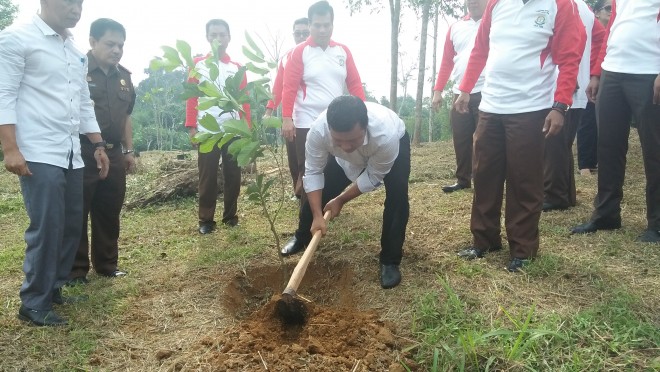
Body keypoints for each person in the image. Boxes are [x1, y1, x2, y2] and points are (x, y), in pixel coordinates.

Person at [0, 0, 110, 326]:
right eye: (68, 2)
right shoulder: (17, 38)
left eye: (80, 3)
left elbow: (83, 102)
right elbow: (4, 94)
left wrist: (98, 144)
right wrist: (10, 149)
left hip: (70, 152)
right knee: (47, 227)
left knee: (71, 223)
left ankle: (55, 286)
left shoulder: (74, 50)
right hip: (37, 150)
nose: (76, 9)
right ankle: (34, 302)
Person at [454, 0, 584, 272]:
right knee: (485, 175)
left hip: (531, 107)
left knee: (524, 180)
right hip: (491, 105)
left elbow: (570, 57)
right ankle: (484, 240)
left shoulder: (560, 5)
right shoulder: (497, 3)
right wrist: (466, 88)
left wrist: (560, 105)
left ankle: (523, 250)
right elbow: (480, 48)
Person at [286, 95, 410, 289]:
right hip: (341, 160)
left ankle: (389, 260)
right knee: (319, 191)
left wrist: (341, 200)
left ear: (365, 127)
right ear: (329, 129)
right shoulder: (319, 131)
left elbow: (373, 176)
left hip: (392, 148)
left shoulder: (386, 136)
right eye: (338, 140)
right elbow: (313, 173)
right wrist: (318, 215)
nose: (345, 146)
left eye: (352, 139)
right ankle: (302, 236)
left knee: (397, 196)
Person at [571, 0, 660, 243]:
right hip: (613, 71)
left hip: (649, 72)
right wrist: (597, 73)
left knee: (655, 149)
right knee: (608, 146)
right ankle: (606, 214)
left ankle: (657, 223)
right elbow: (611, 29)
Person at [279, 1, 365, 245]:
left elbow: (355, 83)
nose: (322, 30)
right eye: (317, 25)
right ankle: (303, 232)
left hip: (338, 122)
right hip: (307, 122)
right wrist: (287, 118)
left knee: (335, 169)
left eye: (327, 25)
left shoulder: (342, 52)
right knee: (309, 173)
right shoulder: (299, 52)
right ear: (310, 26)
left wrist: (362, 113)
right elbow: (289, 86)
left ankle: (327, 209)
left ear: (332, 24)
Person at [67, 18, 136, 285]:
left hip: (115, 153)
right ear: (93, 42)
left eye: (121, 45)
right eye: (110, 44)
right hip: (83, 151)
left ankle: (107, 264)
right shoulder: (76, 69)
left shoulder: (125, 78)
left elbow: (126, 117)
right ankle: (76, 270)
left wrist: (128, 150)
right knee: (78, 209)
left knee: (109, 209)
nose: (117, 49)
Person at [185, 19, 251, 235]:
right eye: (214, 35)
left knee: (233, 174)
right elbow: (192, 99)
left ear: (229, 37)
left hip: (232, 130)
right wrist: (191, 127)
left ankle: (230, 216)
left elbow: (244, 101)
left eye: (222, 35)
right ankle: (206, 220)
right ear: (207, 38)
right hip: (207, 130)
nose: (218, 39)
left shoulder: (237, 68)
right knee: (208, 175)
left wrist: (246, 130)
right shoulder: (198, 66)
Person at [542, 0, 605, 212]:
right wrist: (589, 70)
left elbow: (579, 42)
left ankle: (555, 195)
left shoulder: (569, 5)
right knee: (560, 143)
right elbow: (599, 37)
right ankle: (564, 194)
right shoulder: (584, 7)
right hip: (573, 83)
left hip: (566, 84)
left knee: (554, 143)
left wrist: (582, 72)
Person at [431, 0, 488, 194]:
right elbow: (447, 61)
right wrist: (438, 91)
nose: (472, 2)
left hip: (487, 90)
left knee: (485, 140)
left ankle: (485, 181)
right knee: (461, 138)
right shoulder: (456, 27)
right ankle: (463, 179)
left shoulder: (495, 21)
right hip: (459, 92)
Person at [264, 17, 309, 199]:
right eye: (297, 33)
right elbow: (278, 87)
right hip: (291, 116)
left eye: (305, 33)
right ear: (293, 35)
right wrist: (269, 111)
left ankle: (317, 196)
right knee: (294, 158)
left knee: (313, 159)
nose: (301, 36)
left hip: (314, 117)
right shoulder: (286, 57)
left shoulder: (318, 55)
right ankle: (299, 194)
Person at [576, 0, 611, 176]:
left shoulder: (607, 31)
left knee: (600, 120)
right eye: (607, 8)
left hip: (604, 75)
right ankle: (585, 165)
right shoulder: (589, 20)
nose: (611, 12)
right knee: (588, 119)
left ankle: (593, 161)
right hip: (589, 76)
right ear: (596, 12)